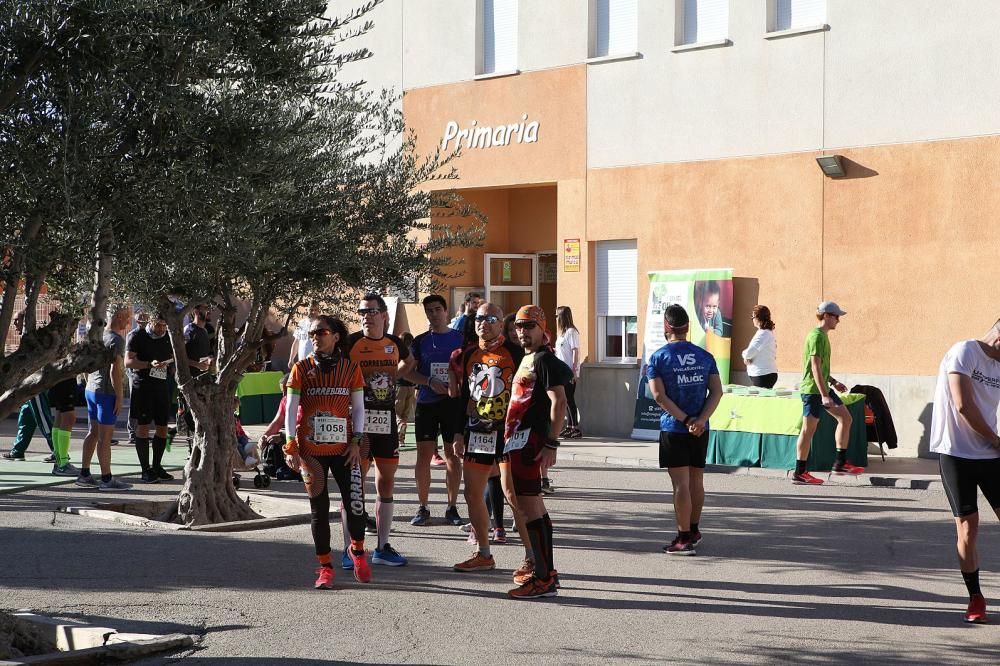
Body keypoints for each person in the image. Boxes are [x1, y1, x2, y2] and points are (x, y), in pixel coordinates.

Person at [283, 314, 370, 589]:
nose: (315, 337)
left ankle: (357, 550)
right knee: (319, 510)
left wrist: (356, 441)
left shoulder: (350, 368)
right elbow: (290, 409)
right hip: (311, 451)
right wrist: (290, 446)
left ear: (335, 336)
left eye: (321, 332)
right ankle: (325, 568)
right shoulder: (301, 368)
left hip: (345, 448)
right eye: (311, 333)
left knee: (355, 506)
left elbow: (358, 409)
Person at [929, 319, 1000, 623]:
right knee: (968, 528)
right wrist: (997, 440)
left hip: (990, 453)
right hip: (956, 454)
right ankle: (975, 597)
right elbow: (962, 405)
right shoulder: (965, 351)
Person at [504, 305, 571, 600]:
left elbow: (559, 403)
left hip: (530, 442)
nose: (522, 331)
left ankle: (544, 578)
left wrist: (551, 443)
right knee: (533, 509)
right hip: (517, 442)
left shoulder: (543, 359)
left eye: (528, 326)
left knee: (532, 509)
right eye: (518, 326)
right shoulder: (528, 357)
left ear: (542, 330)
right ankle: (544, 572)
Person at [452, 303, 523, 573]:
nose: (484, 323)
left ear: (501, 323)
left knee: (513, 494)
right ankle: (483, 553)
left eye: (491, 318)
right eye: (479, 318)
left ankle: (531, 557)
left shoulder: (515, 353)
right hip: (477, 432)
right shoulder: (468, 354)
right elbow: (462, 397)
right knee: (471, 493)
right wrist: (458, 432)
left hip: (508, 433)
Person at [646, 304, 723, 555]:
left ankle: (683, 538)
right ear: (688, 327)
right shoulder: (705, 356)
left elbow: (659, 396)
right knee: (696, 482)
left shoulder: (658, 358)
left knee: (680, 485)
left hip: (674, 429)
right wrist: (700, 420)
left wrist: (686, 419)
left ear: (666, 327)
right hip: (700, 429)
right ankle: (694, 529)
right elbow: (717, 392)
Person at [345, 293, 413, 568]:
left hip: (385, 421)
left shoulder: (394, 344)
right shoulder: (350, 343)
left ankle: (382, 547)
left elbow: (410, 363)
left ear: (384, 315)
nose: (366, 316)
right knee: (355, 484)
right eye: (362, 312)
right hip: (357, 424)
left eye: (371, 311)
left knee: (386, 483)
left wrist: (395, 374)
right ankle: (350, 548)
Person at [407, 295, 466, 527]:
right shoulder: (420, 341)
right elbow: (407, 372)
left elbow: (470, 370)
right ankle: (423, 507)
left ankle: (452, 506)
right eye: (429, 311)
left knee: (452, 455)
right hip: (427, 403)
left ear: (445, 310)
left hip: (452, 403)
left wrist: (457, 385)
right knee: (423, 455)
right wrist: (428, 381)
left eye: (437, 309)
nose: (434, 314)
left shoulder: (460, 339)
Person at [792, 301, 863, 485]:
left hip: (822, 388)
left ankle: (840, 463)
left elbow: (820, 368)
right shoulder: (816, 337)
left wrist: (833, 382)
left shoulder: (822, 336)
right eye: (836, 316)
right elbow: (814, 366)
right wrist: (824, 394)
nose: (838, 320)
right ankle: (799, 472)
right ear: (826, 316)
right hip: (813, 391)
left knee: (846, 418)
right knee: (808, 431)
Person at [76, 303, 133, 490]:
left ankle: (84, 474)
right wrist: (119, 396)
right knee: (105, 438)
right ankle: (107, 478)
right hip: (106, 393)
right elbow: (114, 371)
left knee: (93, 432)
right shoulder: (117, 339)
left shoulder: (98, 335)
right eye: (127, 317)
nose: (129, 321)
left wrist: (87, 381)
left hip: (91, 389)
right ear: (117, 317)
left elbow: (85, 363)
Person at [126, 312, 175, 483]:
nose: (161, 329)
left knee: (163, 427)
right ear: (151, 322)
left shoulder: (167, 336)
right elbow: (128, 362)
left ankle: (157, 466)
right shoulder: (137, 336)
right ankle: (145, 469)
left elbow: (173, 355)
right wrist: (148, 364)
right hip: (143, 386)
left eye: (164, 325)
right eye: (158, 325)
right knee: (143, 427)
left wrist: (170, 364)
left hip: (162, 385)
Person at [2, 311, 56, 462]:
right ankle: (18, 450)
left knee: (42, 417)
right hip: (26, 384)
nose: (14, 324)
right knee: (26, 416)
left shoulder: (33, 339)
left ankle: (56, 450)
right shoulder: (26, 338)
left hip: (35, 384)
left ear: (25, 321)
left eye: (16, 321)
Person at [178, 303, 214, 439]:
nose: (209, 310)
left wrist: (210, 360)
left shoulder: (205, 331)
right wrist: (196, 365)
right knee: (193, 416)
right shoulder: (188, 331)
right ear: (196, 311)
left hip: (204, 380)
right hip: (190, 381)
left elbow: (207, 353)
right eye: (206, 308)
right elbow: (179, 357)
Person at [554, 305, 582, 443]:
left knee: (570, 399)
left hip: (569, 371)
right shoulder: (563, 333)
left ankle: (575, 428)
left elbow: (575, 351)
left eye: (557, 316)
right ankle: (570, 426)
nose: (556, 318)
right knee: (565, 399)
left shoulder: (571, 332)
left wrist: (574, 370)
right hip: (560, 371)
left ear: (562, 317)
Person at [125, 310, 150, 446]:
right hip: (134, 373)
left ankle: (141, 430)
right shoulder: (133, 335)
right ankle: (132, 432)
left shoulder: (148, 335)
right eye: (141, 318)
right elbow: (128, 357)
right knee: (134, 403)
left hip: (146, 373)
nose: (144, 320)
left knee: (144, 403)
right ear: (137, 320)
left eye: (146, 318)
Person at [742, 305, 778, 389]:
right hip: (764, 374)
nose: (752, 319)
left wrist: (745, 355)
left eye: (753, 317)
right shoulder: (765, 333)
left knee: (761, 401)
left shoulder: (763, 334)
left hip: (763, 375)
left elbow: (749, 353)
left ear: (759, 318)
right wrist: (747, 356)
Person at [395, 331, 417, 446]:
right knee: (405, 413)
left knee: (397, 411)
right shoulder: (413, 353)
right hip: (411, 386)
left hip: (400, 385)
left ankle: (400, 426)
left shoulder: (400, 353)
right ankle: (401, 439)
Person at [288, 300, 321, 368]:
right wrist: (291, 359)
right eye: (311, 309)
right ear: (307, 309)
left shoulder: (321, 324)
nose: (313, 312)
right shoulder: (301, 323)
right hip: (302, 362)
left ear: (318, 310)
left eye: (316, 310)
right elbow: (296, 342)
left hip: (316, 363)